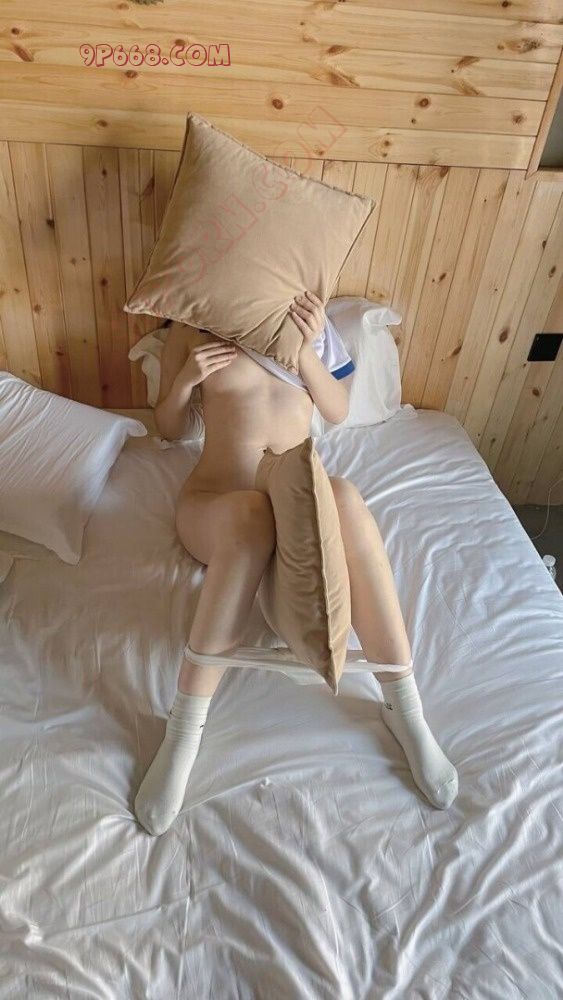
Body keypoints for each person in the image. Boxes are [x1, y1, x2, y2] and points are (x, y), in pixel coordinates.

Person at [134, 291, 458, 836]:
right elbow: (168, 427)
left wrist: (305, 350)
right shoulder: (194, 323)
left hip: (294, 501)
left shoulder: (311, 321)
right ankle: (184, 731)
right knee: (249, 518)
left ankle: (405, 706)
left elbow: (337, 410)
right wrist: (187, 380)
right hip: (217, 503)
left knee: (345, 497)